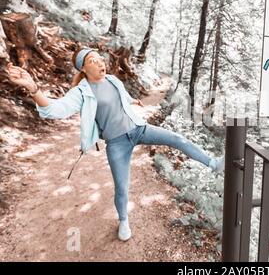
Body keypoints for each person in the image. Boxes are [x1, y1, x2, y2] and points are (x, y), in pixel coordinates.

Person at [5, 47, 225, 241]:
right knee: (122, 187)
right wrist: (34, 89)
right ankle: (123, 220)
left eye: (100, 58)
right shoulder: (81, 91)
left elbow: (122, 95)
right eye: (93, 60)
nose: (100, 62)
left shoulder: (113, 79)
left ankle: (213, 163)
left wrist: (133, 100)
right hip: (117, 143)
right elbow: (54, 109)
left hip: (140, 129)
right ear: (83, 69)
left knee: (178, 139)